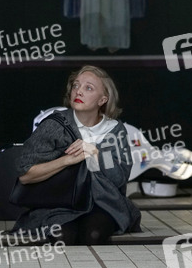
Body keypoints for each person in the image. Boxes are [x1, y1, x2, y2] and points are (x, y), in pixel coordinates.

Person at [12, 66, 141, 245]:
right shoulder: (54, 125)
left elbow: (119, 179)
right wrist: (66, 160)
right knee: (63, 237)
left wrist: (96, 153)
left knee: (93, 235)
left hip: (103, 204)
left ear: (102, 100)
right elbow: (25, 175)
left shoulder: (114, 130)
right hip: (60, 204)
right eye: (76, 85)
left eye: (88, 88)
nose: (78, 91)